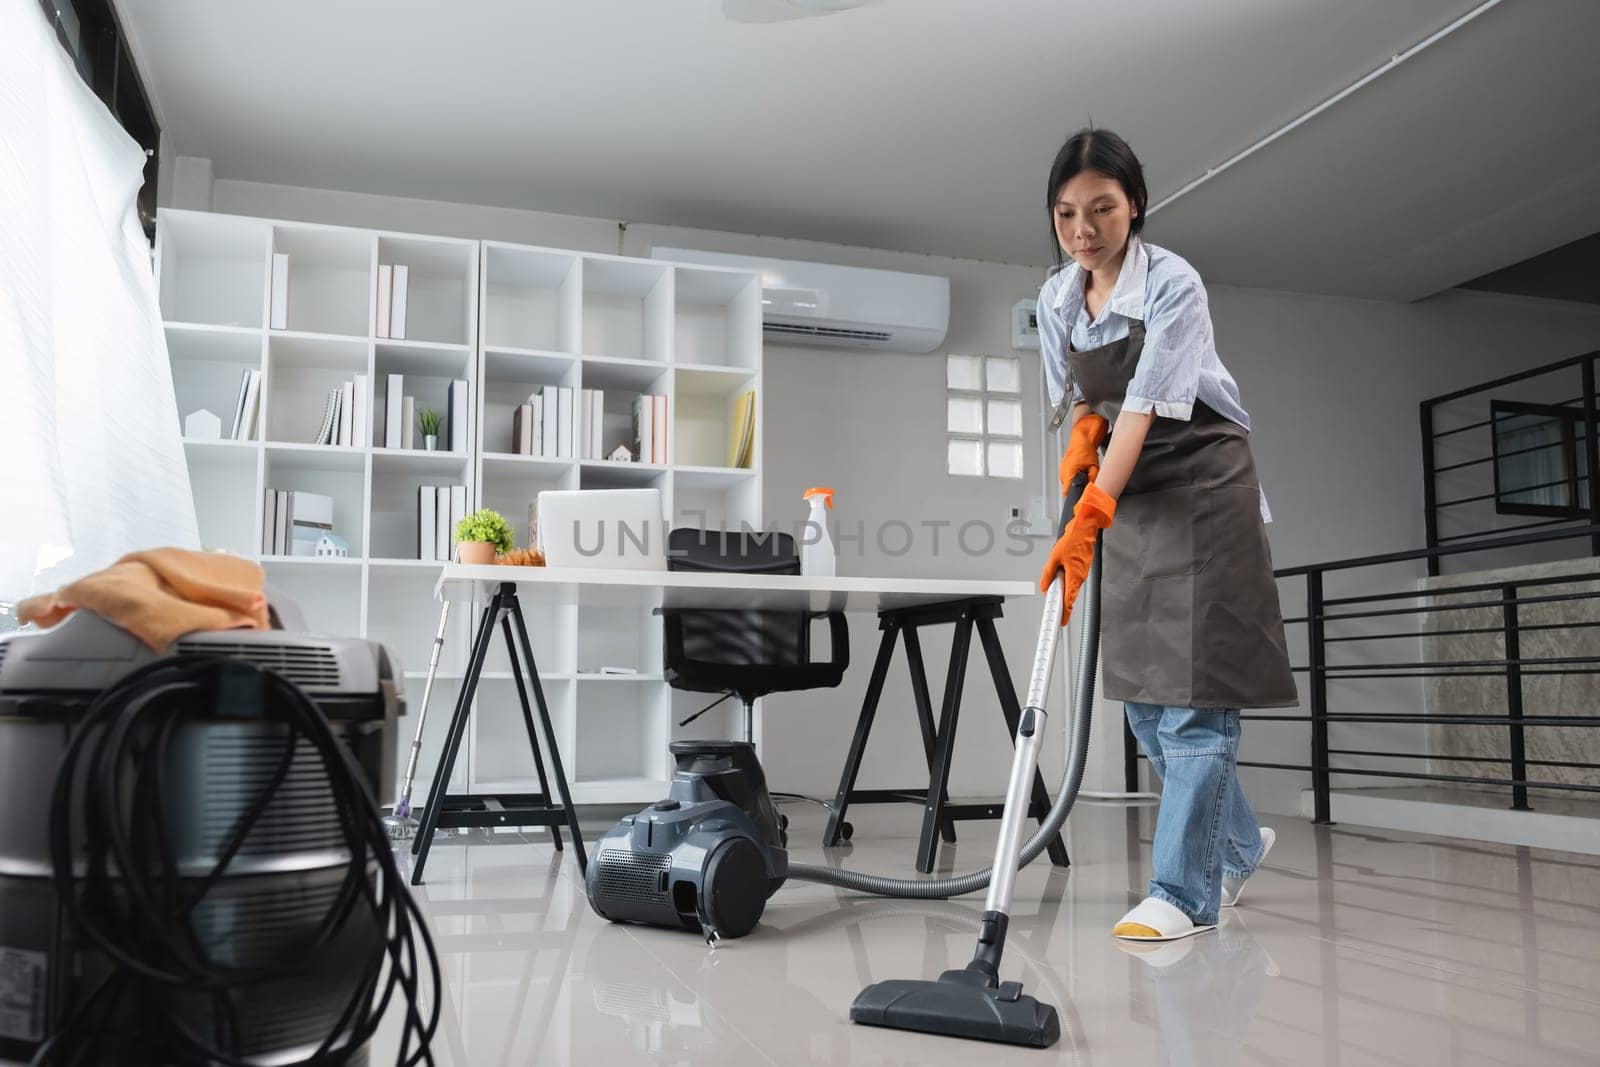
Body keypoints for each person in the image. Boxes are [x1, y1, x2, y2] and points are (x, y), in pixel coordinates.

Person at [1036, 127, 1297, 941]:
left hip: (1200, 487)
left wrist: (1090, 512)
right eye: (1068, 213)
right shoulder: (1054, 298)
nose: (1085, 229)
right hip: (1134, 496)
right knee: (1147, 703)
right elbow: (1081, 403)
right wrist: (1079, 449)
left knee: (1194, 706)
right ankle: (1241, 841)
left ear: (1135, 205)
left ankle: (1184, 892)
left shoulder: (1173, 283)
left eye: (1103, 208)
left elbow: (1145, 406)